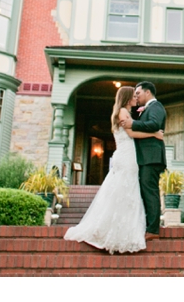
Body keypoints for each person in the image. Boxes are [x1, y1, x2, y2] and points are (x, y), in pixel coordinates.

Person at [63, 86, 163, 254]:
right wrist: (154, 134)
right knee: (126, 189)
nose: (136, 98)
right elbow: (132, 134)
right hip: (127, 156)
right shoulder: (123, 112)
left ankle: (122, 227)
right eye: (133, 96)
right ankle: (117, 229)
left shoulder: (124, 111)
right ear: (126, 98)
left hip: (125, 155)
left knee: (124, 190)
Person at [119, 81, 166, 240]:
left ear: (148, 93)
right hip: (144, 157)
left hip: (151, 158)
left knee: (150, 191)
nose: (136, 97)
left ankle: (153, 230)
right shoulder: (146, 109)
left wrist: (133, 123)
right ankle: (147, 225)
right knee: (145, 191)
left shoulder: (156, 107)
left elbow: (154, 124)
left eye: (138, 93)